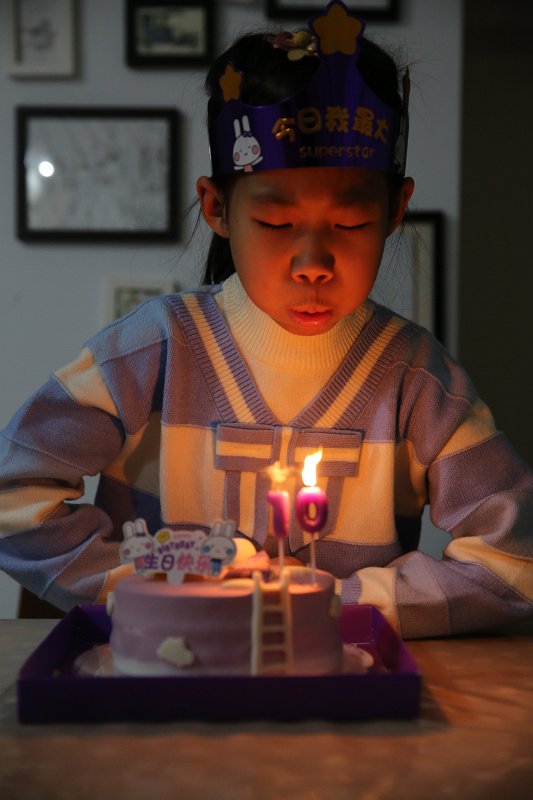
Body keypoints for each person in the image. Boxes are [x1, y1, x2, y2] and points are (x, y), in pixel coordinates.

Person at [0, 0, 532, 637]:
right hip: (163, 673)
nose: (313, 264)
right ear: (217, 208)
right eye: (276, 223)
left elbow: (514, 560)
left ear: (396, 211)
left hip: (343, 685)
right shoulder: (153, 352)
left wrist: (342, 601)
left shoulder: (414, 380)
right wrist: (140, 589)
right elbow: (13, 498)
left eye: (350, 223)